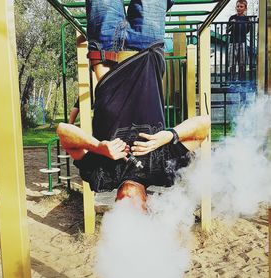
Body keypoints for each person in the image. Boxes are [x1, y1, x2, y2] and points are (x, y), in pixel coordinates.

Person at [57, 0, 210, 210]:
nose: (127, 208)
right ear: (147, 206)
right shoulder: (164, 172)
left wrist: (98, 148)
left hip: (105, 52)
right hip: (148, 48)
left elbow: (63, 132)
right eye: (135, 212)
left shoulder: (101, 178)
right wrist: (167, 136)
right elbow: (204, 125)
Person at [227, 0, 250, 81]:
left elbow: (247, 30)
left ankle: (242, 80)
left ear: (245, 8)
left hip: (242, 42)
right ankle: (232, 80)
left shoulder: (247, 18)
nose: (239, 8)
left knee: (242, 64)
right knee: (232, 63)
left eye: (241, 6)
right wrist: (232, 24)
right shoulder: (232, 18)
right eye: (238, 6)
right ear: (235, 7)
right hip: (232, 42)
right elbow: (227, 30)